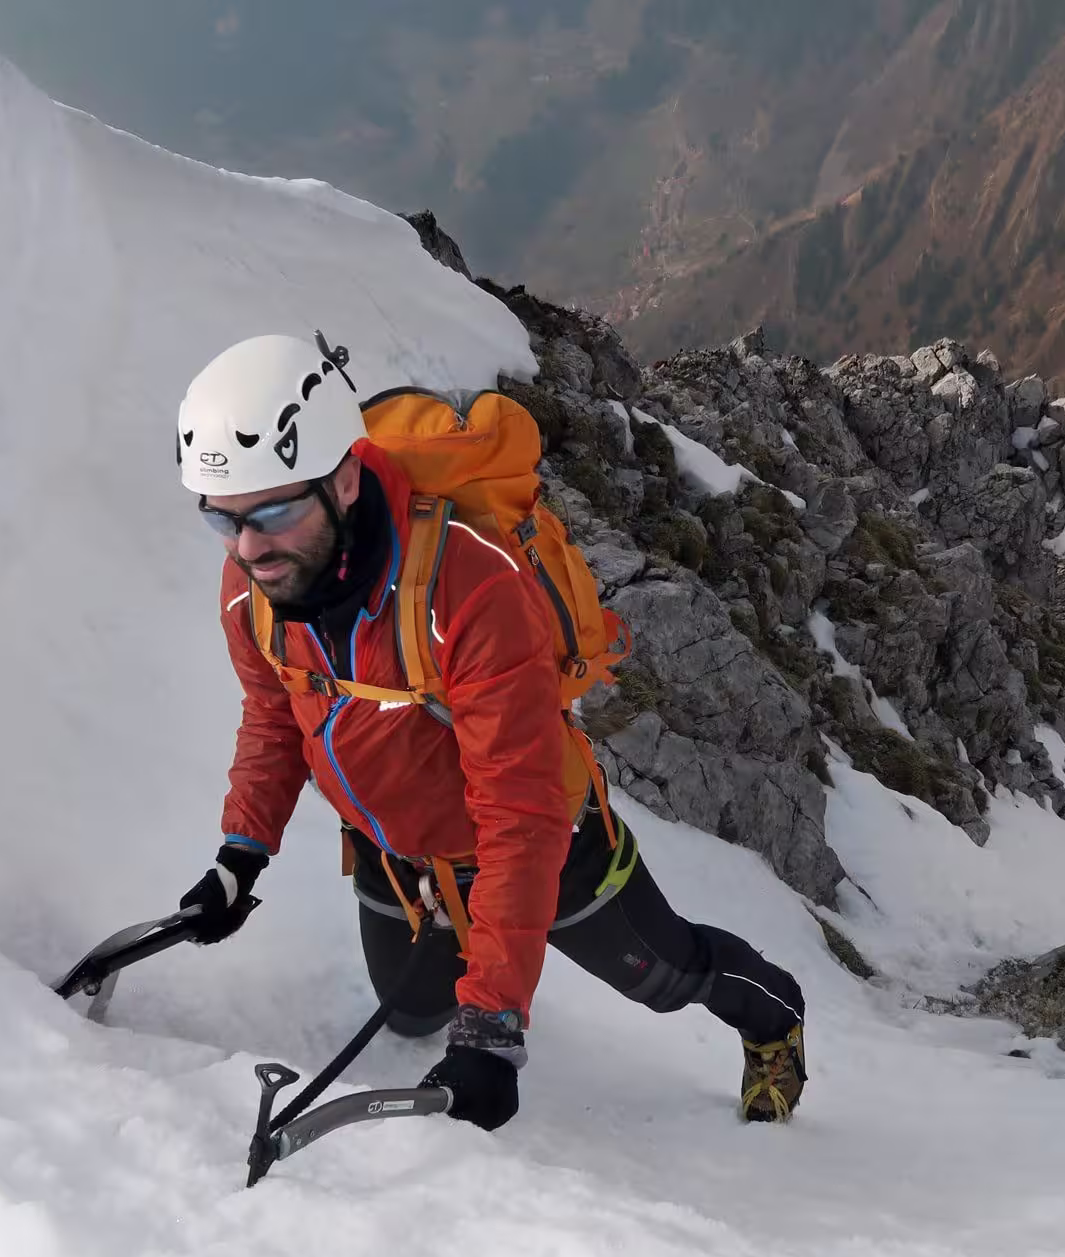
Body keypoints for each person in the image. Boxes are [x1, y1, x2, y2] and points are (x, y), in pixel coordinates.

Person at [168, 334, 807, 1130]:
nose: (249, 549)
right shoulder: (255, 582)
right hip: (403, 854)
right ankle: (464, 964)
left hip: (548, 843)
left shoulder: (466, 586)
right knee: (410, 1017)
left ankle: (775, 1019)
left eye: (273, 513)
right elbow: (275, 715)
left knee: (665, 976)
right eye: (222, 522)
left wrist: (494, 1024)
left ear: (343, 477)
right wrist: (241, 854)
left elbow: (519, 810)